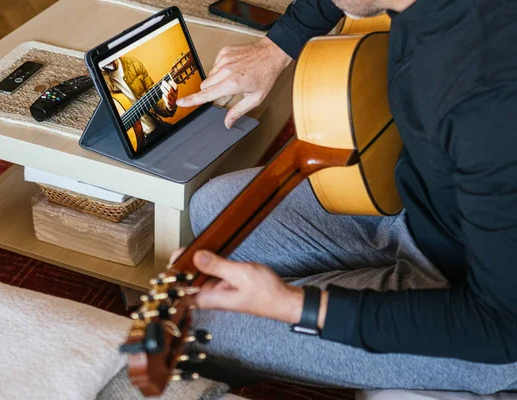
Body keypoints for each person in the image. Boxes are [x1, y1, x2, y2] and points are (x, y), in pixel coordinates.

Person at [173, 0, 517, 394]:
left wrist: (291, 305)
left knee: (200, 327)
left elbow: (500, 326)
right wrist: (276, 48)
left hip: (476, 319)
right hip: (426, 216)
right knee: (214, 209)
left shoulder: (491, 98)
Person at [102, 56, 178, 144]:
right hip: (132, 144)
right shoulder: (97, 83)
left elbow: (154, 101)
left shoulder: (134, 64)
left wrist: (169, 106)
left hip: (154, 128)